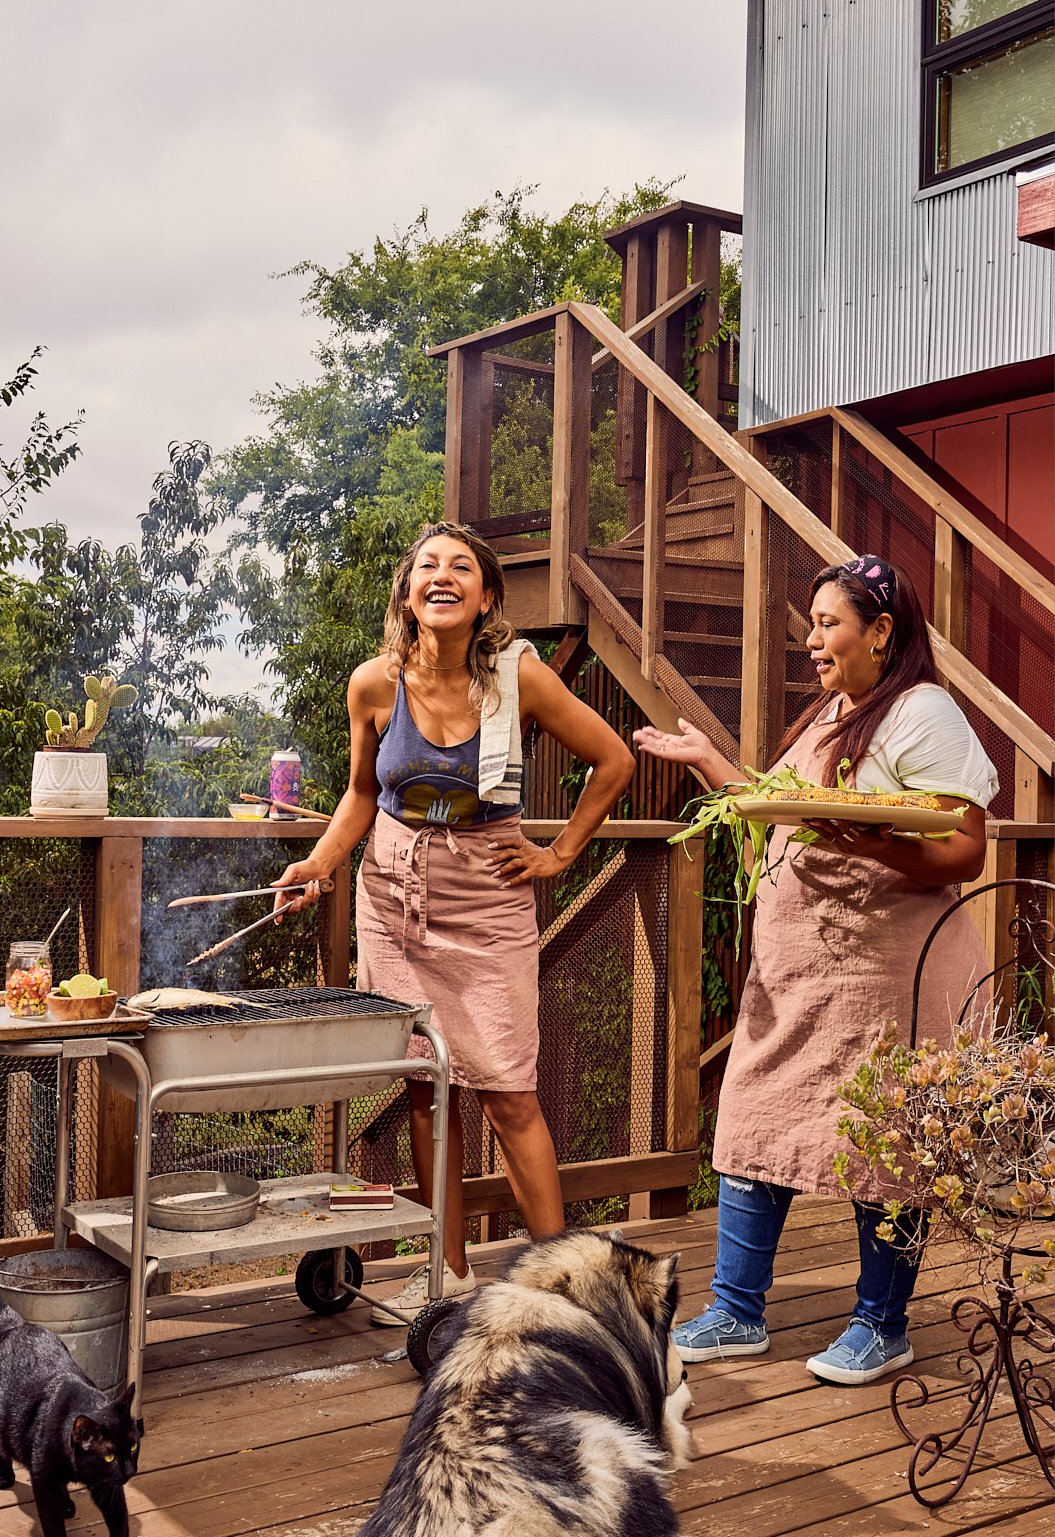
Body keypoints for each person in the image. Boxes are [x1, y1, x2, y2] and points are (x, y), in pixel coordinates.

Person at [633, 554, 998, 1384]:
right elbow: (786, 811)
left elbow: (964, 850)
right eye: (812, 623)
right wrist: (709, 764)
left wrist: (859, 838)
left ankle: (882, 1324)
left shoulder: (922, 713)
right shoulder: (833, 712)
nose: (812, 640)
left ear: (880, 632)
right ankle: (736, 1311)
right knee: (758, 1119)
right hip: (799, 975)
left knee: (886, 1138)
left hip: (884, 974)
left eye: (828, 623)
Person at [275, 521, 635, 1324]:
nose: (442, 577)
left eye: (460, 568)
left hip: (488, 898)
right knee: (426, 1089)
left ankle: (563, 1286)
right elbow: (363, 796)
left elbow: (613, 762)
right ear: (407, 593)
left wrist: (561, 854)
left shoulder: (522, 679)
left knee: (509, 1091)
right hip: (394, 897)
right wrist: (319, 866)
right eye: (427, 567)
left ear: (486, 596)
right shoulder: (374, 684)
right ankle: (446, 1273)